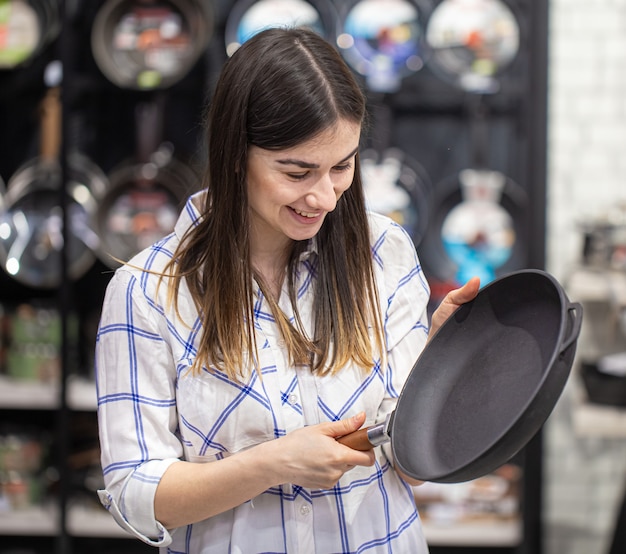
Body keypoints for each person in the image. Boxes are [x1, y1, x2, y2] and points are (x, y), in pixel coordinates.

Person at [95, 27, 480, 553]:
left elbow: (412, 470)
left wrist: (442, 370)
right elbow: (133, 493)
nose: (324, 197)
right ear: (235, 156)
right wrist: (271, 465)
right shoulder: (147, 291)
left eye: (342, 166)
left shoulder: (383, 252)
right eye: (297, 172)